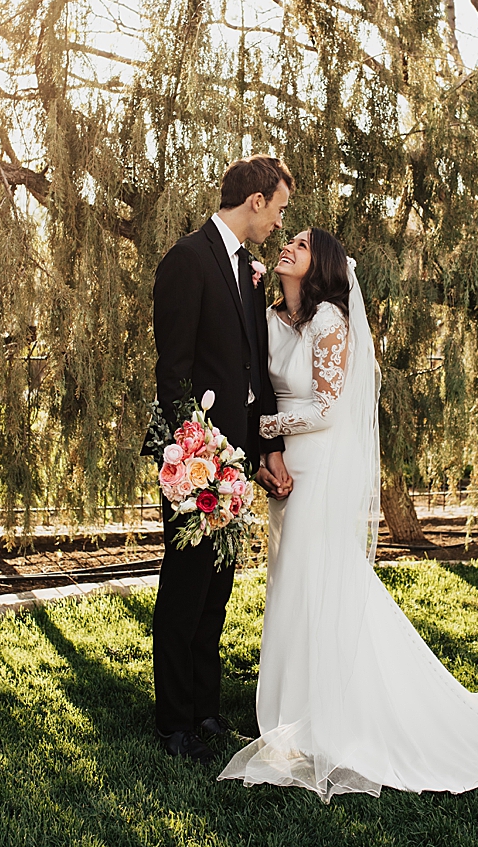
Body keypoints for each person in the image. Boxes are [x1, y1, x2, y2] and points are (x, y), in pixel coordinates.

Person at [219, 227, 478, 799]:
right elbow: (258, 387)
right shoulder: (273, 321)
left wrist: (253, 432)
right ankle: (294, 708)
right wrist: (264, 451)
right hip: (284, 472)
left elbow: (323, 410)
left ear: (321, 265)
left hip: (315, 463)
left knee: (321, 580)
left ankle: (333, 713)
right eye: (287, 239)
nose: (288, 246)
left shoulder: (328, 323)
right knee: (291, 582)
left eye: (301, 243)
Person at [149, 156, 296, 763]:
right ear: (256, 199)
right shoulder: (188, 259)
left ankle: (206, 713)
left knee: (217, 591)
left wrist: (260, 449)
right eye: (280, 208)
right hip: (196, 463)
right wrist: (196, 454)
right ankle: (173, 721)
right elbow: (173, 370)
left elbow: (253, 373)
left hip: (234, 464)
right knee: (184, 591)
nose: (280, 222)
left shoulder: (248, 273)